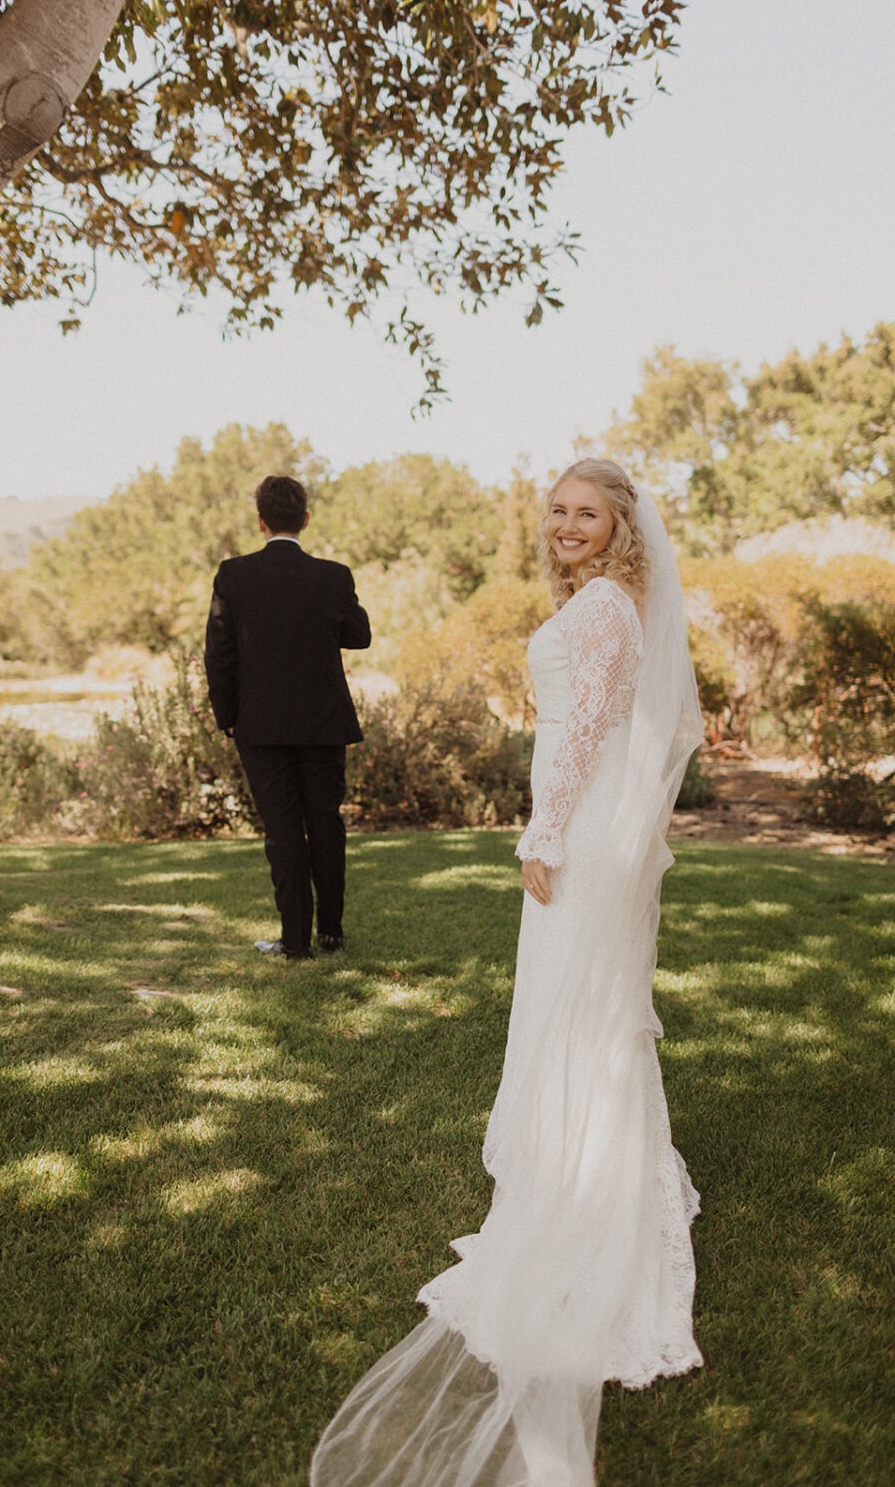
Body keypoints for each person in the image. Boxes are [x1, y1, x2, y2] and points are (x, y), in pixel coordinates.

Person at [310, 460, 704, 1485]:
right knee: (593, 1017)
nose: (568, 527)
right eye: (559, 512)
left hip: (583, 830)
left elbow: (577, 731)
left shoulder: (608, 607)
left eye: (589, 515)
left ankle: (586, 1199)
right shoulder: (608, 603)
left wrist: (543, 830)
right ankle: (593, 1171)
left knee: (584, 1016)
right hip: (599, 819)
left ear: (622, 527)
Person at [204, 474, 371, 960]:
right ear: (305, 519)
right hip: (323, 723)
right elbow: (359, 635)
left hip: (261, 725)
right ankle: (332, 933)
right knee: (325, 823)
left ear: (261, 520)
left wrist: (227, 715)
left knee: (282, 831)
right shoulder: (333, 576)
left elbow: (220, 653)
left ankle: (295, 941)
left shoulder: (232, 575)